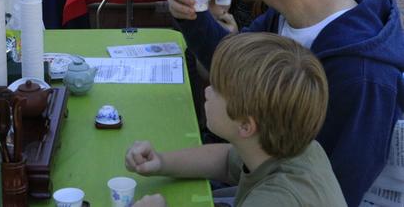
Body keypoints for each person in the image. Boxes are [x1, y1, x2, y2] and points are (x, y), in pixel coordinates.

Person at [167, 0, 404, 206]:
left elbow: (338, 192)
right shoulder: (290, 13)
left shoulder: (361, 72)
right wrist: (192, 16)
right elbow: (238, 74)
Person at [126, 33, 347, 207]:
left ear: (246, 126)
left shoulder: (276, 200)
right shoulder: (289, 147)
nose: (207, 92)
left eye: (217, 89)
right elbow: (224, 161)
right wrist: (161, 162)